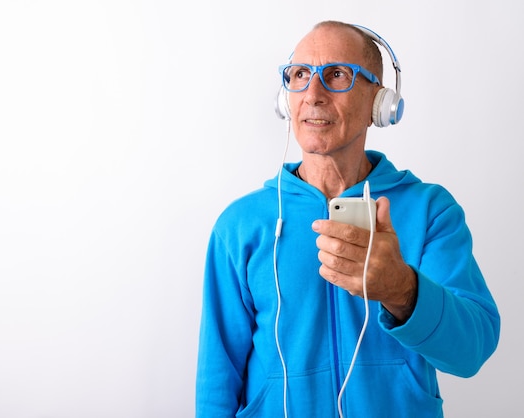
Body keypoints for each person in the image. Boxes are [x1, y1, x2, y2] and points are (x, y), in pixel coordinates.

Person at [195, 20, 500, 418]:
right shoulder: (239, 225)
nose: (313, 94)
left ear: (380, 102)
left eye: (337, 74)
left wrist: (403, 291)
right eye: (301, 75)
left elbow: (471, 352)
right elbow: (218, 378)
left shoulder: (430, 210)